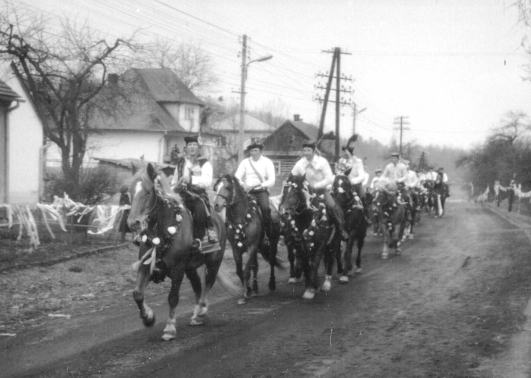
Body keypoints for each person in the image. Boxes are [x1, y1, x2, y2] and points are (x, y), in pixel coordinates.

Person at [291, 141, 349, 240]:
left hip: (321, 190)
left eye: (308, 150)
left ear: (313, 151)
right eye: (304, 150)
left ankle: (340, 229)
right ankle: (289, 231)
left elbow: (329, 178)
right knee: (291, 205)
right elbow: (293, 175)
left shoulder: (322, 162)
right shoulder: (300, 163)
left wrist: (316, 185)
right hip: (305, 191)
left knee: (332, 206)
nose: (306, 152)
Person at [171, 134, 217, 248]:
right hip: (180, 194)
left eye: (194, 145)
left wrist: (190, 179)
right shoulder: (181, 163)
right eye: (189, 145)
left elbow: (207, 181)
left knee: (200, 210)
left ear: (198, 148)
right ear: (186, 148)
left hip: (197, 195)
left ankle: (198, 239)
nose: (192, 147)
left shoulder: (204, 163)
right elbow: (174, 181)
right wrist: (174, 187)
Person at [234, 141, 276, 239]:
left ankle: (267, 234)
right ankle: (238, 232)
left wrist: (260, 185)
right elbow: (237, 177)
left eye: (256, 150)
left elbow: (272, 180)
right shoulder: (245, 162)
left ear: (261, 151)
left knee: (265, 208)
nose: (254, 153)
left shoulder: (267, 162)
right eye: (252, 150)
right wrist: (243, 184)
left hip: (261, 191)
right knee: (238, 208)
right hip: (247, 192)